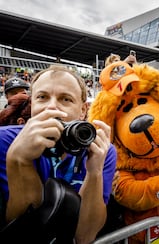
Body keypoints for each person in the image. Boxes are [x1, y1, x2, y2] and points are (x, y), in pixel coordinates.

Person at [0, 65, 117, 243]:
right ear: (32, 105)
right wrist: (19, 159)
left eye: (66, 99)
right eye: (42, 97)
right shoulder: (5, 141)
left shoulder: (102, 151)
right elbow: (25, 233)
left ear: (83, 110)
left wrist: (94, 173)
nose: (52, 106)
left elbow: (84, 236)